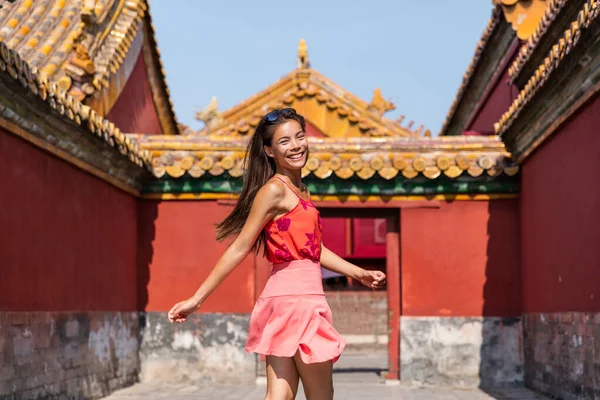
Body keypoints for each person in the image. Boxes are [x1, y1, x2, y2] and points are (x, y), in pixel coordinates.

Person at [167, 108, 386, 400]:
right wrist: (197, 299)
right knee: (321, 395)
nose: (295, 146)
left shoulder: (301, 191)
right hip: (299, 302)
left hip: (286, 300)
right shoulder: (274, 191)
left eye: (299, 137)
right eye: (284, 141)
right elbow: (241, 246)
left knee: (279, 396)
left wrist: (357, 273)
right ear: (269, 150)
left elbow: (313, 250)